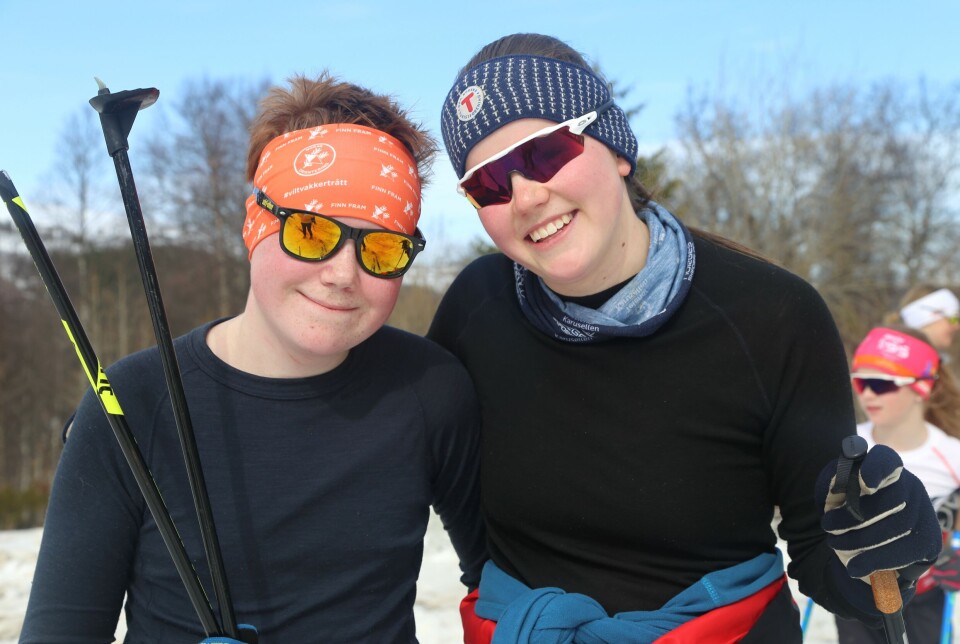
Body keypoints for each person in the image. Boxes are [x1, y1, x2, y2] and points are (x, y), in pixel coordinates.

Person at [427, 33, 942, 642]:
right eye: (488, 183)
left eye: (544, 153)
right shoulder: (477, 309)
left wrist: (883, 552)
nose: (525, 196)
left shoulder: (771, 314)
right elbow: (447, 491)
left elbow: (826, 559)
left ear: (616, 148)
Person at [19, 73, 487, 643]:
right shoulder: (131, 405)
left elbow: (497, 580)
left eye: (384, 246)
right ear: (254, 224)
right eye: (311, 232)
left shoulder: (429, 390)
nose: (343, 274)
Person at [835, 326, 960, 643]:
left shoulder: (952, 456)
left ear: (922, 387)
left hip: (925, 597)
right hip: (856, 595)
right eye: (860, 382)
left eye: (881, 383)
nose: (867, 394)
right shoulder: (846, 444)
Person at [889, 284, 960, 354]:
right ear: (925, 318)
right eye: (952, 319)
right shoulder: (892, 359)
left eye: (957, 319)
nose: (957, 326)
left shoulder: (936, 359)